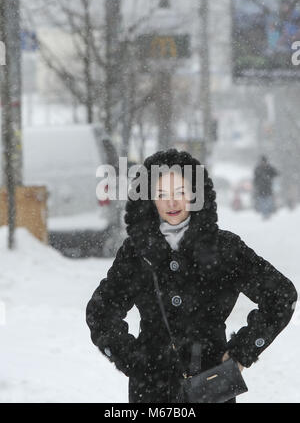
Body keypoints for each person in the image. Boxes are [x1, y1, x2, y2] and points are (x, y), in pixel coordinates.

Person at [86, 149, 297, 403]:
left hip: (212, 388)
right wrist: (134, 361)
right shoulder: (137, 251)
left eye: (180, 193)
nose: (171, 203)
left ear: (195, 195)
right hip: (151, 394)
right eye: (161, 194)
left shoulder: (225, 249)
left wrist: (243, 352)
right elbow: (101, 311)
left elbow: (281, 296)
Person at [253, 155, 279, 219]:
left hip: (268, 189)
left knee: (268, 202)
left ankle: (267, 213)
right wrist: (256, 184)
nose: (263, 163)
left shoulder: (270, 168)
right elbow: (255, 178)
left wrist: (270, 177)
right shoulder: (258, 169)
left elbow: (276, 173)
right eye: (262, 162)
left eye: (264, 162)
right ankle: (264, 214)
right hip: (260, 189)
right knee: (262, 202)